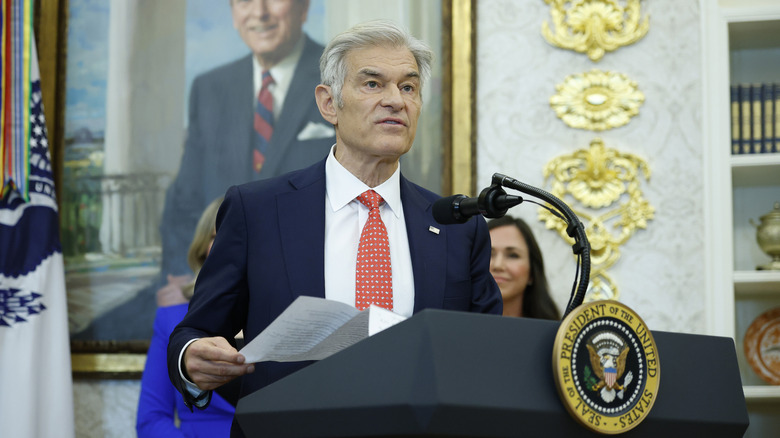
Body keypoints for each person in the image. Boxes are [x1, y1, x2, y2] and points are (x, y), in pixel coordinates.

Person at [167, 20, 502, 436]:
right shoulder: (258, 210)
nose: (395, 101)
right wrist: (190, 356)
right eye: (374, 84)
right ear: (329, 104)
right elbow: (196, 330)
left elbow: (485, 354)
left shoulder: (457, 226)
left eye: (409, 87)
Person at [159, 0, 335, 279]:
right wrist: (189, 280)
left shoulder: (341, 78)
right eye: (245, 1)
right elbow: (184, 200)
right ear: (233, 14)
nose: (259, 12)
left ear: (303, 8)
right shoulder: (209, 88)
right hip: (219, 285)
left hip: (313, 280)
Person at [137, 197, 236, 438]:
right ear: (203, 249)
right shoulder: (170, 320)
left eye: (236, 237)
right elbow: (151, 420)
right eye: (215, 236)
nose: (227, 245)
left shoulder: (284, 316)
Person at [488, 215, 560, 320]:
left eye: (512, 255)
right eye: (487, 254)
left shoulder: (559, 334)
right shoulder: (455, 326)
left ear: (532, 273)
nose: (498, 265)